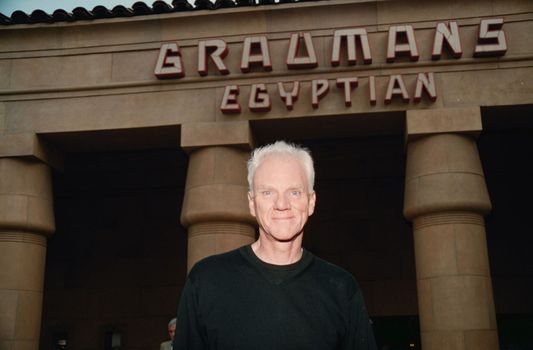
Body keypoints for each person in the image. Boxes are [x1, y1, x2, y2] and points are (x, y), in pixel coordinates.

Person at [173, 140, 377, 350]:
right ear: (252, 203)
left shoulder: (341, 288)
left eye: (294, 192)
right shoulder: (206, 280)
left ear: (311, 202)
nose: (282, 205)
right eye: (268, 192)